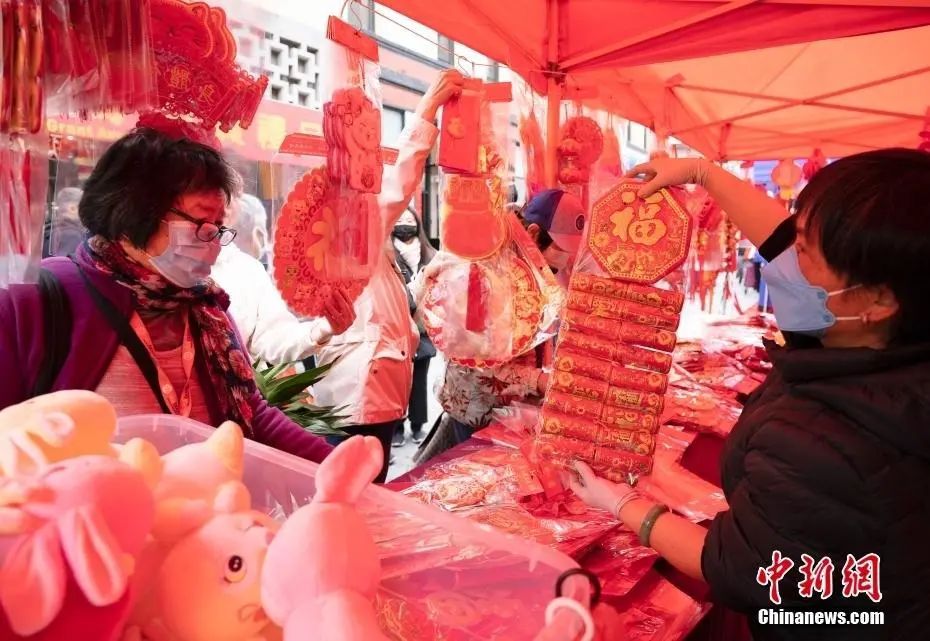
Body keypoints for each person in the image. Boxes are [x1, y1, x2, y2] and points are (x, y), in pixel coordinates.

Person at [570, 149, 930, 640]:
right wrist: (705, 174)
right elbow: (782, 239)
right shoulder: (885, 347)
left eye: (805, 253)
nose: (784, 262)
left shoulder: (826, 438)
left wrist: (623, 505)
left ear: (880, 301)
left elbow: (742, 567)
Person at [0, 128, 332, 464]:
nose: (214, 247)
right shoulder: (36, 302)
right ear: (136, 210)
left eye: (219, 228)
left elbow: (252, 414)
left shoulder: (207, 308)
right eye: (202, 224)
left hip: (202, 510)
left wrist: (343, 466)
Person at [311, 69, 464, 483]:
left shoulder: (353, 233)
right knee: (357, 494)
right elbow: (400, 181)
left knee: (357, 491)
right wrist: (426, 109)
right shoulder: (348, 227)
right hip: (359, 393)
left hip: (366, 389)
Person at [415, 189, 586, 461]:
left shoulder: (533, 267)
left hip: (514, 406)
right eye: (560, 250)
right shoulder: (487, 265)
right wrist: (542, 381)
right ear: (532, 232)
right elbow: (479, 364)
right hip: (477, 408)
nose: (564, 262)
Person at [212, 194, 355, 364]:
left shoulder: (247, 269)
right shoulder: (177, 266)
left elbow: (273, 336)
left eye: (233, 196)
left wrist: (323, 329)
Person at [391, 206, 437, 447]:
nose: (405, 224)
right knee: (398, 380)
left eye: (409, 220)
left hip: (423, 326)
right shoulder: (387, 255)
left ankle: (418, 424)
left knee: (420, 377)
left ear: (418, 225)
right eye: (399, 220)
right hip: (397, 327)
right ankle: (397, 426)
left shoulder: (430, 254)